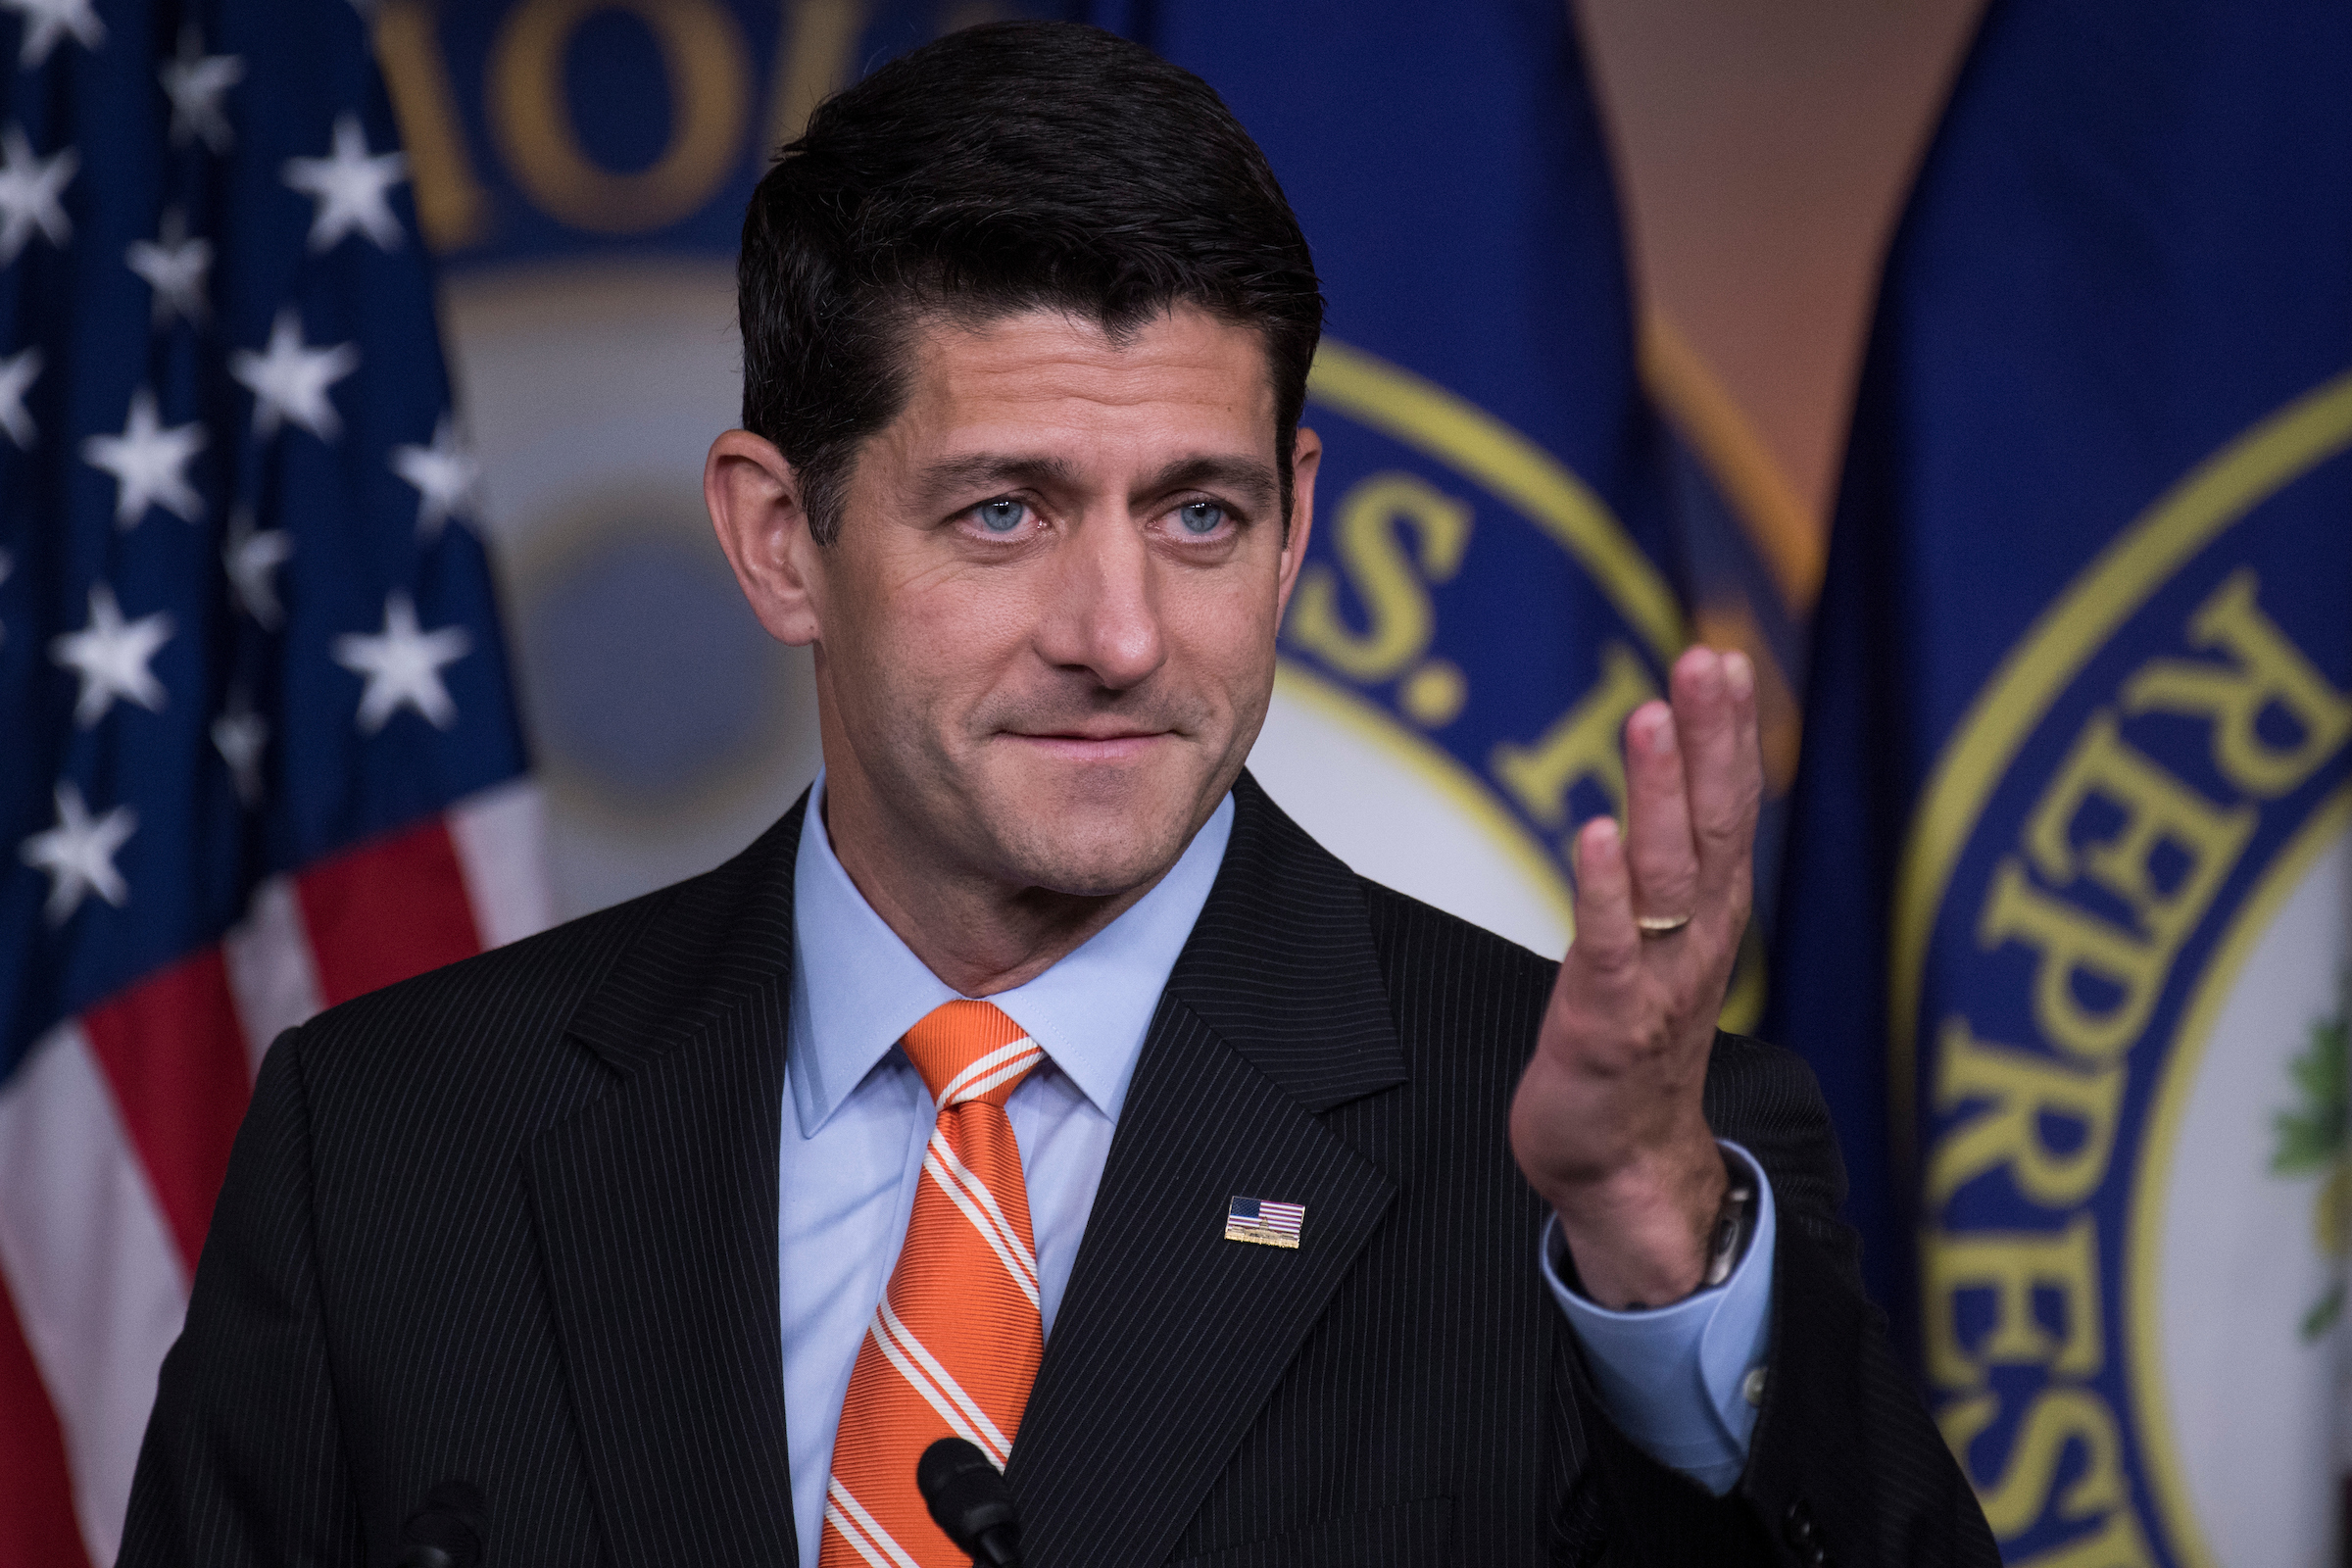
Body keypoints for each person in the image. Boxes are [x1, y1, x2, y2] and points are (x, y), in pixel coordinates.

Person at [122, 21, 1992, 1568]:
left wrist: (1663, 1269)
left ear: (1296, 527)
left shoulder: (1620, 1186)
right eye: (1002, 511)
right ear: (783, 542)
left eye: (1200, 515)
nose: (1119, 634)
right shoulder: (386, 1146)